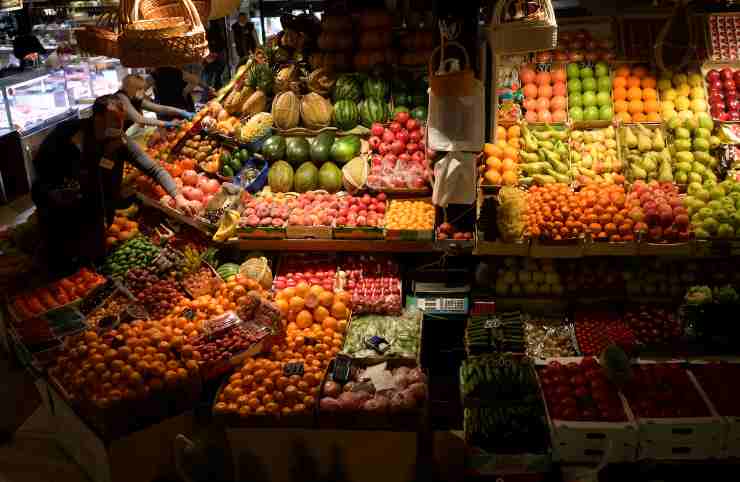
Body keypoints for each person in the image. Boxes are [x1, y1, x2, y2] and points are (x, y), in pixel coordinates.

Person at [31, 95, 195, 274]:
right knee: (63, 262)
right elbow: (51, 170)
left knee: (93, 258)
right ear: (97, 118)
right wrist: (105, 158)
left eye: (121, 120)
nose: (120, 125)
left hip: (98, 209)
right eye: (115, 120)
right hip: (62, 210)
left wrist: (178, 197)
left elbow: (154, 169)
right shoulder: (69, 134)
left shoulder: (119, 139)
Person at [116, 74, 193, 131]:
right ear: (131, 88)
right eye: (139, 89)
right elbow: (139, 119)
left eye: (142, 89)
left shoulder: (133, 97)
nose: (143, 91)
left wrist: (182, 112)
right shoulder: (121, 97)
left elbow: (161, 108)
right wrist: (167, 123)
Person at [203, 20, 227, 90]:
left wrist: (214, 52)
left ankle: (216, 90)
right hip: (209, 55)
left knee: (216, 75)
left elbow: (221, 41)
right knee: (209, 75)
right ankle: (209, 92)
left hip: (216, 54)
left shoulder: (215, 27)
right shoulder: (203, 29)